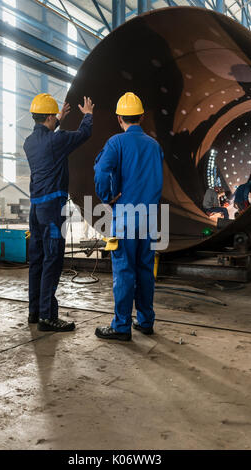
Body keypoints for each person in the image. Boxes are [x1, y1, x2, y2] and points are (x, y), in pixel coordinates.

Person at [93, 92, 164, 341]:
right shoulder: (155, 146)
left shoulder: (116, 143)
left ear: (118, 118)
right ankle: (145, 321)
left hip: (125, 216)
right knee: (145, 269)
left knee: (124, 271)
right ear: (142, 117)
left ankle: (121, 326)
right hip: (151, 217)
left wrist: (106, 196)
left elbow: (102, 170)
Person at [24, 93, 94, 332]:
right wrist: (88, 116)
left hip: (36, 210)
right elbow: (84, 134)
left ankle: (34, 311)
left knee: (37, 261)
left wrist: (58, 121)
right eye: (54, 116)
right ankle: (47, 317)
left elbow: (50, 142)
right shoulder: (58, 140)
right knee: (52, 260)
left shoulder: (29, 142)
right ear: (50, 117)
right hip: (53, 210)